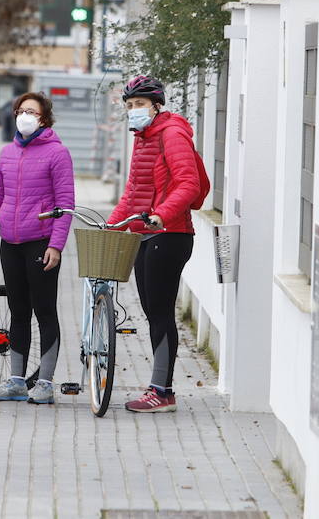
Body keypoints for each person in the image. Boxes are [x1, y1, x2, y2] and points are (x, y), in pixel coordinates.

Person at [0, 92, 74, 405]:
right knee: (18, 312)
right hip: (10, 243)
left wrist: (57, 246)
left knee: (45, 311)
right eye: (21, 110)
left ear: (44, 119)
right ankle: (16, 382)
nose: (25, 116)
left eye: (31, 112)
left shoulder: (57, 153)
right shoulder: (7, 153)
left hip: (41, 243)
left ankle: (46, 383)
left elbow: (65, 206)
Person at [106, 75, 210, 414]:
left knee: (161, 313)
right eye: (130, 106)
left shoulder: (172, 133)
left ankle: (162, 391)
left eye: (140, 105)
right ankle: (158, 386)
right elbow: (134, 192)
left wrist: (162, 215)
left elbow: (188, 184)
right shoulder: (143, 138)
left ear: (156, 105)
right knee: (153, 313)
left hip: (171, 234)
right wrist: (111, 224)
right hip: (146, 235)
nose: (134, 111)